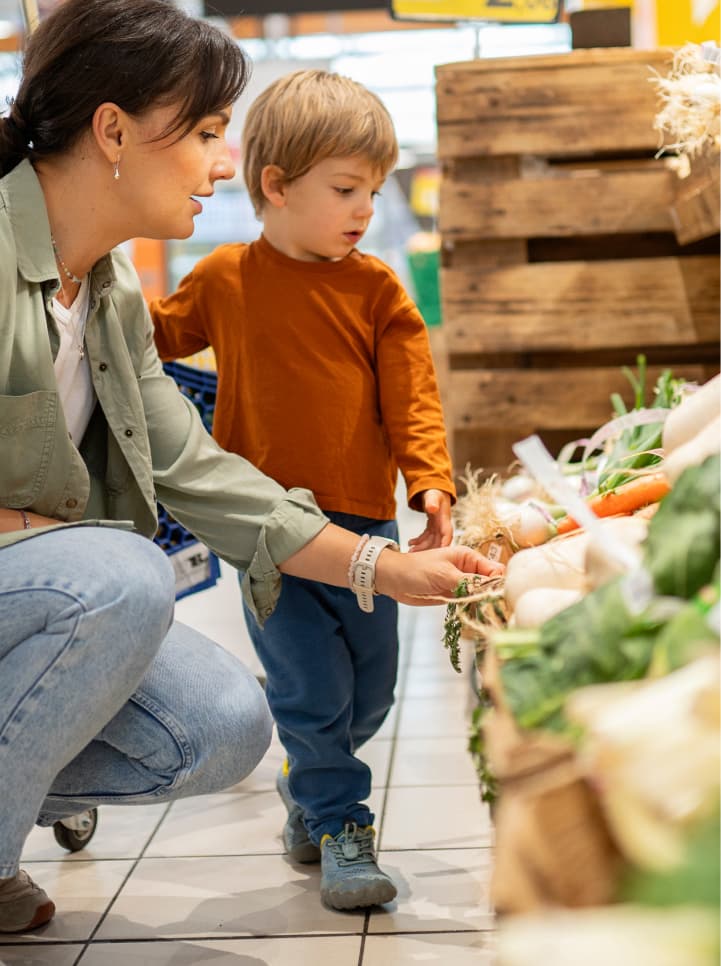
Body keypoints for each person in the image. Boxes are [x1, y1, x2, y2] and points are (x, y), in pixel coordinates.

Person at [0, 0, 499, 936]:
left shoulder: (108, 294)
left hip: (321, 523)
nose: (226, 166)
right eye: (204, 133)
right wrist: (43, 533)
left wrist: (389, 563)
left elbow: (198, 467)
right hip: (78, 576)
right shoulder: (36, 257)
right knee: (128, 574)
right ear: (113, 131)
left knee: (227, 726)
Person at [150, 69, 460, 912]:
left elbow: (412, 393)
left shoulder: (376, 290)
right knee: (309, 692)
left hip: (365, 520)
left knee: (372, 691)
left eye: (375, 189)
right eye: (346, 189)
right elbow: (152, 334)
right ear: (275, 187)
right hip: (264, 533)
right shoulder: (223, 278)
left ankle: (312, 792)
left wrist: (429, 479)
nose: (365, 208)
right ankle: (340, 824)